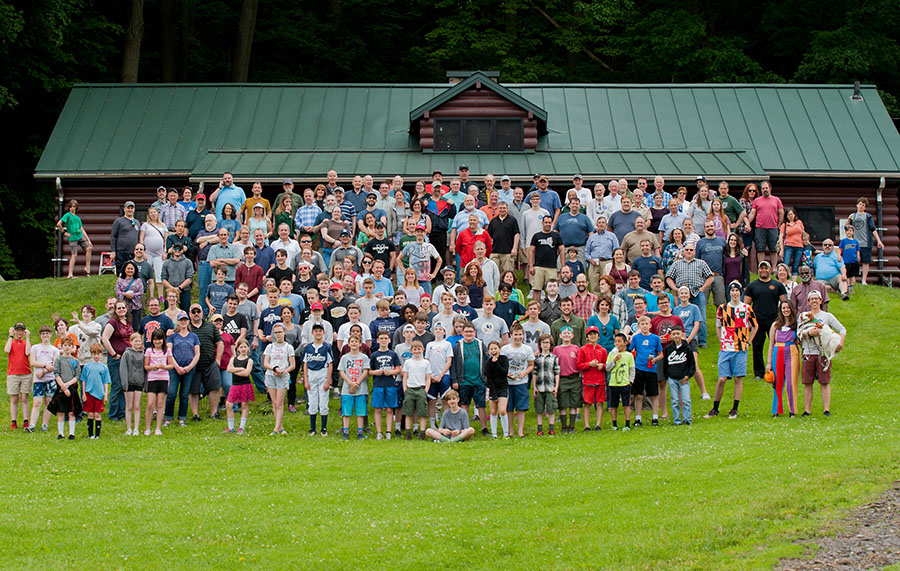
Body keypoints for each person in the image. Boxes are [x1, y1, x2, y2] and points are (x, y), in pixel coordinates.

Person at [705, 281, 758, 420]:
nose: (734, 293)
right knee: (722, 378)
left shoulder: (746, 308)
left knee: (738, 378)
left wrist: (748, 341)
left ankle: (734, 408)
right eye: (732, 291)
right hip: (726, 347)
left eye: (737, 291)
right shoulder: (722, 308)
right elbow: (718, 325)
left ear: (740, 293)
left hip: (740, 347)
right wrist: (721, 340)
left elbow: (755, 326)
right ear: (729, 293)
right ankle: (715, 408)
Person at [798, 290, 846, 416]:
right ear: (808, 302)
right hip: (808, 352)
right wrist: (809, 333)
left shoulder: (827, 316)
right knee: (807, 382)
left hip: (823, 353)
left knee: (824, 381)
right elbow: (798, 334)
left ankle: (826, 410)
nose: (814, 301)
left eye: (816, 299)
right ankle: (807, 410)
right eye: (812, 299)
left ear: (820, 301)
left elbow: (842, 329)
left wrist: (839, 344)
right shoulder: (803, 316)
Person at [665, 244, 714, 347]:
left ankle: (702, 342)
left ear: (694, 252)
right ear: (683, 251)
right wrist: (675, 288)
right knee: (680, 318)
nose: (689, 251)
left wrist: (703, 288)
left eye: (691, 250)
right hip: (682, 294)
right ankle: (680, 339)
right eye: (686, 249)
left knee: (701, 318)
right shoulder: (677, 263)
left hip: (697, 293)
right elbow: (668, 277)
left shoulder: (701, 263)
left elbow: (710, 277)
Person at [450, 322, 489, 437]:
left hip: (479, 380)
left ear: (474, 333)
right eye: (466, 332)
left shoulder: (481, 344)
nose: (468, 334)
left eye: (471, 332)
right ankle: (465, 429)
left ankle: (484, 429)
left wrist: (486, 378)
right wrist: (454, 380)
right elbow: (454, 364)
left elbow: (486, 361)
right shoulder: (458, 345)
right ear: (462, 333)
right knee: (464, 405)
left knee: (481, 405)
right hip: (464, 380)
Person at [766, 300, 799, 418]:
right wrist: (769, 362)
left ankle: (792, 410)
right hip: (777, 352)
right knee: (777, 382)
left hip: (791, 353)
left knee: (791, 382)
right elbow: (771, 344)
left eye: (788, 308)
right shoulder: (775, 325)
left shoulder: (796, 325)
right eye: (783, 308)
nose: (786, 310)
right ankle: (776, 409)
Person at [100, 300, 132, 422]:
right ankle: (113, 414)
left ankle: (122, 413)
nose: (121, 310)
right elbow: (105, 338)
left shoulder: (127, 322)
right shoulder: (113, 322)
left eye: (123, 308)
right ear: (115, 310)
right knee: (117, 385)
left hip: (127, 359)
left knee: (125, 386)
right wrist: (114, 354)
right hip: (116, 359)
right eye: (119, 308)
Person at [501, 323, 535, 438]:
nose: (518, 337)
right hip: (508, 383)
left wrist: (524, 373)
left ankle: (520, 431)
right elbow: (501, 366)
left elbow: (531, 365)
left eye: (520, 334)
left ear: (523, 335)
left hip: (522, 383)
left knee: (521, 408)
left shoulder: (527, 349)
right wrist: (507, 374)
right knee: (509, 408)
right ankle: (510, 431)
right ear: (511, 335)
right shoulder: (505, 349)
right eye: (515, 335)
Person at [629, 315, 663, 427]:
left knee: (653, 394)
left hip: (651, 369)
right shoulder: (636, 338)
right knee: (638, 395)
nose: (644, 326)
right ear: (638, 326)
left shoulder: (655, 338)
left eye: (646, 324)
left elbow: (661, 354)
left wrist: (655, 359)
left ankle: (655, 417)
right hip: (639, 368)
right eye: (642, 324)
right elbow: (631, 351)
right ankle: (638, 418)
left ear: (650, 325)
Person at [46, 337, 82, 439]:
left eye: (69, 346)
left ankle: (72, 433)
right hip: (61, 388)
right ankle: (60, 433)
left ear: (72, 347)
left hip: (72, 388)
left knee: (72, 411)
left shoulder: (75, 361)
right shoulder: (58, 359)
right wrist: (63, 386)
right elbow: (56, 373)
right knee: (61, 412)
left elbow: (77, 375)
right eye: (65, 346)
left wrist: (68, 385)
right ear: (61, 347)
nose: (67, 348)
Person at [301, 323, 333, 436]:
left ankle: (324, 428)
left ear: (323, 333)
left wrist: (328, 381)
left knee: (324, 402)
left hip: (322, 373)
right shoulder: (308, 347)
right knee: (312, 402)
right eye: (316, 331)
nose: (318, 333)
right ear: (312, 333)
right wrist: (306, 380)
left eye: (320, 331)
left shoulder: (326, 347)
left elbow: (330, 364)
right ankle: (312, 428)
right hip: (311, 374)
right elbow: (305, 364)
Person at [27, 325, 59, 433]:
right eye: (43, 333)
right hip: (38, 380)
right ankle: (32, 425)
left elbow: (54, 365)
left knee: (48, 401)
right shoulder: (35, 348)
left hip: (50, 379)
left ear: (50, 335)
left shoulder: (54, 350)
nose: (45, 335)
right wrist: (45, 366)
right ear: (40, 335)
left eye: (47, 333)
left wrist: (44, 371)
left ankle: (44, 424)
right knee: (37, 402)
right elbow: (32, 362)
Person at [847, 196, 884, 285]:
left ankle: (864, 280)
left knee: (865, 262)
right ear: (856, 205)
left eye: (863, 205)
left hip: (865, 242)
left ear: (865, 207)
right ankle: (853, 279)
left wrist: (879, 241)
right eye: (860, 204)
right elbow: (847, 227)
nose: (861, 206)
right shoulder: (853, 216)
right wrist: (849, 218)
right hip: (854, 243)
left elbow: (873, 229)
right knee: (854, 261)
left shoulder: (868, 216)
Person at [339, 334, 370, 440]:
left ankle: (360, 431)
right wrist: (350, 383)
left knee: (360, 412)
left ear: (360, 344)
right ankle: (346, 432)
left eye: (356, 341)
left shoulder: (364, 357)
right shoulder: (344, 357)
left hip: (361, 389)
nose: (354, 343)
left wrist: (356, 383)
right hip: (347, 389)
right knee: (346, 412)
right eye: (352, 341)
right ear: (348, 343)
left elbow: (365, 371)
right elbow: (342, 372)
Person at [747, 181, 784, 268]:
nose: (765, 190)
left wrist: (778, 225)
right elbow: (752, 213)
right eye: (763, 188)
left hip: (773, 228)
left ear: (770, 189)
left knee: (773, 249)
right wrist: (747, 223)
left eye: (766, 188)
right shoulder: (757, 200)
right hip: (760, 228)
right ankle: (762, 267)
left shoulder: (776, 200)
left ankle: (774, 268)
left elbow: (781, 213)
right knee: (760, 249)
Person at [529, 215, 565, 305]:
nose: (548, 224)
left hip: (552, 267)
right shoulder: (536, 236)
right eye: (546, 222)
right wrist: (531, 266)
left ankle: (552, 307)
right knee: (537, 289)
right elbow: (531, 251)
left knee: (552, 289)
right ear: (542, 223)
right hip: (538, 266)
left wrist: (563, 266)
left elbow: (562, 250)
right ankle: (536, 307)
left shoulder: (556, 236)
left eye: (549, 222)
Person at [662, 326, 694, 425]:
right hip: (672, 378)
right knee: (675, 400)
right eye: (674, 334)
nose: (676, 336)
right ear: (671, 336)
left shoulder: (687, 348)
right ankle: (676, 420)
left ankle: (687, 418)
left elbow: (692, 364)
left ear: (682, 335)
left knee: (686, 400)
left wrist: (688, 376)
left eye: (678, 334)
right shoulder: (668, 349)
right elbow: (665, 364)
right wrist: (667, 376)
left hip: (684, 378)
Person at [577, 325, 607, 431]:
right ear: (587, 337)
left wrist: (602, 366)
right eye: (591, 334)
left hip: (600, 380)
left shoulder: (602, 350)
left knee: (600, 402)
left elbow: (606, 365)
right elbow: (579, 365)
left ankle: (598, 424)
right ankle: (587, 425)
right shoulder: (583, 349)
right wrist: (589, 364)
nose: (593, 336)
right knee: (587, 403)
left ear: (598, 336)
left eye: (595, 334)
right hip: (588, 380)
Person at [75, 344, 108, 438]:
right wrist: (84, 393)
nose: (96, 356)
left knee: (97, 414)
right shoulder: (87, 366)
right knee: (90, 413)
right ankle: (90, 434)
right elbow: (83, 380)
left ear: (101, 354)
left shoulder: (104, 367)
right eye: (94, 354)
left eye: (98, 354)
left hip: (99, 393)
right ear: (91, 354)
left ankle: (97, 434)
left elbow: (106, 382)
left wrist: (105, 395)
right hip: (89, 392)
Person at [143, 329, 172, 436]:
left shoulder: (167, 350)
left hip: (163, 378)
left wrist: (164, 366)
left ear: (163, 340)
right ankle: (147, 428)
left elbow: (171, 365)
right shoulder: (149, 351)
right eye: (155, 340)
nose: (157, 342)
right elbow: (145, 366)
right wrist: (152, 367)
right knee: (150, 403)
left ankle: (158, 428)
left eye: (159, 339)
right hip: (152, 379)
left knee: (160, 404)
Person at [531, 334, 560, 436]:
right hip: (539, 387)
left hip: (550, 387)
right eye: (543, 343)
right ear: (540, 344)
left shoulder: (554, 358)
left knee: (551, 409)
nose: (545, 344)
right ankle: (540, 429)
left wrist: (556, 387)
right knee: (539, 409)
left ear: (551, 344)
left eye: (547, 342)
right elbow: (534, 373)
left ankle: (551, 428)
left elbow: (557, 373)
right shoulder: (537, 358)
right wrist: (534, 387)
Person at [605, 332, 634, 431]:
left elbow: (632, 369)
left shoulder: (629, 355)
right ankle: (614, 424)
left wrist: (630, 381)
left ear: (625, 343)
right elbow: (607, 368)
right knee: (614, 404)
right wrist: (614, 361)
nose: (617, 344)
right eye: (615, 342)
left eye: (619, 341)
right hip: (613, 383)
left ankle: (627, 424)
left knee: (626, 404)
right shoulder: (611, 354)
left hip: (625, 383)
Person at [57, 199, 93, 278]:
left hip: (79, 235)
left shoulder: (77, 218)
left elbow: (81, 229)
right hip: (72, 237)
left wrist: (88, 240)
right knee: (74, 255)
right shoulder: (67, 215)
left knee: (89, 248)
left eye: (74, 207)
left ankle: (87, 268)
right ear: (69, 208)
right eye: (72, 206)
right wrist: (64, 232)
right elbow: (59, 224)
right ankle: (70, 274)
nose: (73, 208)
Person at [696, 220, 727, 307]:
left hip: (718, 275)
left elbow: (727, 257)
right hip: (704, 277)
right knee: (702, 302)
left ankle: (720, 321)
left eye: (711, 226)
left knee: (721, 304)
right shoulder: (700, 243)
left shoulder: (722, 241)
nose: (710, 228)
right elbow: (697, 260)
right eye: (707, 227)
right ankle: (702, 320)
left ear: (715, 227)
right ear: (704, 229)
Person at [483, 340, 510, 438]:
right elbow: (489, 378)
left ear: (499, 349)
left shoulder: (504, 359)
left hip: (502, 387)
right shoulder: (487, 363)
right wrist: (493, 394)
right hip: (492, 388)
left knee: (502, 410)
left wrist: (496, 363)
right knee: (493, 412)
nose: (493, 351)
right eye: (491, 349)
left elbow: (504, 372)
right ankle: (494, 434)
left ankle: (506, 433)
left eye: (495, 348)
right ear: (489, 351)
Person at [110, 200, 141, 274]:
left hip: (134, 252)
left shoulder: (137, 222)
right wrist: (113, 251)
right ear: (124, 209)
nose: (130, 210)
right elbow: (113, 236)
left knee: (134, 273)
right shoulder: (119, 221)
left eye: (132, 208)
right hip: (121, 251)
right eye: (128, 208)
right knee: (121, 273)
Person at [116, 260, 145, 326]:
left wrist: (132, 295)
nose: (130, 270)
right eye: (128, 268)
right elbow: (117, 291)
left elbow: (141, 292)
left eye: (132, 269)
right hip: (124, 307)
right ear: (124, 270)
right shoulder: (120, 280)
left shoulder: (138, 280)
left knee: (135, 326)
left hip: (135, 307)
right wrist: (125, 294)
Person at [779, 208, 805, 278]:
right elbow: (781, 237)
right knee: (786, 264)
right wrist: (781, 249)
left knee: (796, 264)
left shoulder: (799, 222)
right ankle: (784, 279)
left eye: (791, 214)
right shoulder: (784, 225)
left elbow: (803, 233)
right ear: (786, 216)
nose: (790, 216)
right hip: (788, 246)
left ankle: (794, 281)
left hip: (799, 246)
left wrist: (806, 242)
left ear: (794, 215)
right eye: (788, 214)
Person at [838, 224, 861, 293]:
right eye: (847, 231)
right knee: (847, 275)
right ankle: (847, 286)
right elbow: (840, 249)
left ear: (853, 232)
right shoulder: (844, 241)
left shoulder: (855, 242)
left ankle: (851, 286)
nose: (849, 232)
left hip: (853, 260)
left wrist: (858, 257)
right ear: (845, 232)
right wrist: (839, 256)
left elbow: (857, 250)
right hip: (846, 261)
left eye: (850, 231)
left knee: (852, 275)